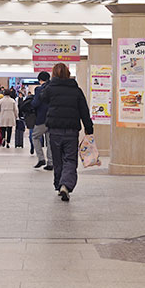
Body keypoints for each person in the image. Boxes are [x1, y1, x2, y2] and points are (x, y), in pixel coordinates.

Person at [39, 63, 94, 202]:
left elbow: (41, 98)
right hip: (71, 131)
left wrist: (49, 83)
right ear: (68, 74)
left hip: (55, 131)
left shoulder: (50, 88)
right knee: (70, 159)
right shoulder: (76, 90)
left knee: (58, 160)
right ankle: (65, 184)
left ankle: (59, 184)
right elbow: (84, 110)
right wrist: (89, 127)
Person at [30, 71, 53, 170]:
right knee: (49, 140)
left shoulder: (39, 89)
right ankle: (50, 162)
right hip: (52, 118)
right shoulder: (53, 88)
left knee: (34, 136)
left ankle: (41, 158)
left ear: (40, 80)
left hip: (42, 118)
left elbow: (35, 103)